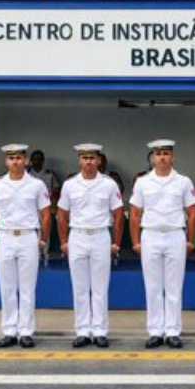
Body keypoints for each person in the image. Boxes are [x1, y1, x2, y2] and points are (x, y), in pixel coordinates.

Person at [129, 139, 195, 348]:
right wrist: (135, 242)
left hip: (175, 234)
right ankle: (155, 330)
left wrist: (190, 240)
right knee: (152, 286)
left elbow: (193, 212)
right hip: (150, 234)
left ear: (173, 157)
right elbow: (134, 213)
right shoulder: (142, 182)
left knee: (174, 286)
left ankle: (173, 330)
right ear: (152, 157)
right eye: (158, 154)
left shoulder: (183, 181)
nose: (162, 157)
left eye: (166, 153)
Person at [0, 143, 52, 349]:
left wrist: (42, 239)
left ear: (26, 160)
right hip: (5, 236)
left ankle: (26, 331)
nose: (15, 161)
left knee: (27, 287)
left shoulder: (37, 185)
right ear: (6, 161)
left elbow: (46, 214)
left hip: (28, 236)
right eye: (11, 158)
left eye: (19, 158)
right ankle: (9, 330)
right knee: (7, 287)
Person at [57, 143, 124, 348]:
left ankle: (100, 330)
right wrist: (63, 242)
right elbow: (61, 214)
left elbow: (119, 214)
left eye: (92, 158)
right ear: (79, 160)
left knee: (100, 287)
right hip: (77, 235)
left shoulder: (109, 184)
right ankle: (82, 330)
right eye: (85, 158)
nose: (89, 161)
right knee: (80, 287)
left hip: (100, 235)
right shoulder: (70, 185)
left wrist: (116, 243)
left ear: (99, 161)